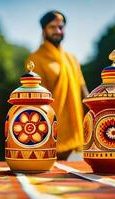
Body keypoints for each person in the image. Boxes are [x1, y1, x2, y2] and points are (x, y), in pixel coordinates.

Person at [25, 10, 88, 160]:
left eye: (61, 27)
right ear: (44, 30)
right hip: (49, 130)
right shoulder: (35, 59)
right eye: (52, 27)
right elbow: (35, 98)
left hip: (74, 131)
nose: (58, 31)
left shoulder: (71, 58)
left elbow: (83, 90)